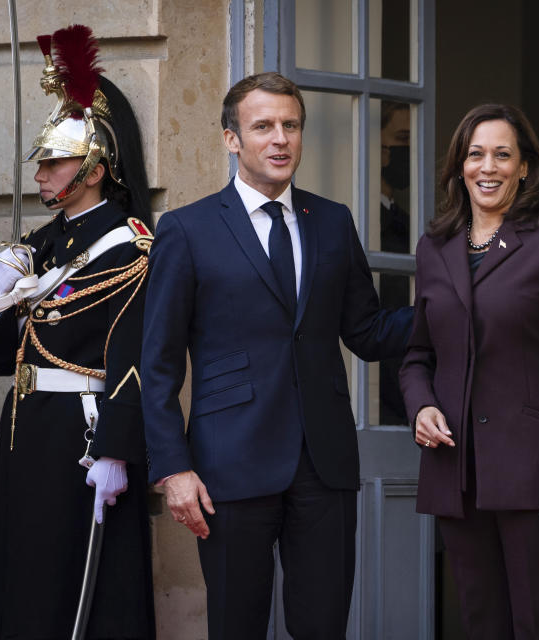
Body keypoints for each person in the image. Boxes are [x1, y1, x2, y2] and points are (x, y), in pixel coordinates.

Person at [140, 72, 412, 639]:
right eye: (262, 126)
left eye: (290, 125)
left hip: (325, 461)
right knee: (236, 625)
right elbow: (159, 362)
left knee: (323, 626)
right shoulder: (186, 229)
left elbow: (366, 331)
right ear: (230, 139)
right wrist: (173, 467)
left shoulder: (332, 220)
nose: (280, 139)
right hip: (228, 464)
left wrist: (451, 307)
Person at [0, 26, 155, 639]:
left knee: (73, 592)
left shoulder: (130, 247)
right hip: (25, 429)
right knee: (22, 584)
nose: (42, 173)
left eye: (55, 161)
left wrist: (117, 449)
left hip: (82, 434)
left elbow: (134, 359)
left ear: (95, 168)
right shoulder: (41, 243)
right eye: (43, 161)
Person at [399, 103, 539, 639]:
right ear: (459, 166)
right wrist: (420, 405)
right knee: (480, 620)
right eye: (475, 154)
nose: (488, 167)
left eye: (502, 155)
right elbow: (418, 355)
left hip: (533, 473)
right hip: (456, 468)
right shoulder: (434, 248)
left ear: (525, 167)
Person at [378, 100, 412, 424]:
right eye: (403, 140)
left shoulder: (405, 219)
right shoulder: (368, 224)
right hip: (380, 399)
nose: (410, 151)